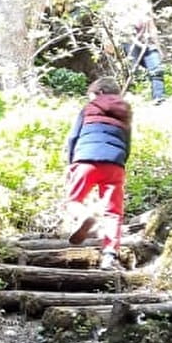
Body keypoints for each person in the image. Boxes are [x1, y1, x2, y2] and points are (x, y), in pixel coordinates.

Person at [64, 76, 132, 271]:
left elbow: (73, 137)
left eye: (92, 94)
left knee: (72, 201)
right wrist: (120, 161)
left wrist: (71, 162)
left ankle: (84, 215)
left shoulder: (88, 108)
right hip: (115, 164)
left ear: (99, 92)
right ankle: (109, 256)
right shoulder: (125, 112)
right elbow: (127, 143)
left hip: (85, 159)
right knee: (113, 212)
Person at [105, 0, 165, 102]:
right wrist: (108, 41)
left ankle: (159, 101)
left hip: (147, 40)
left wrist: (158, 46)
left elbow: (151, 23)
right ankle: (132, 102)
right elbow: (109, 21)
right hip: (129, 41)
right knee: (133, 73)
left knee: (157, 70)